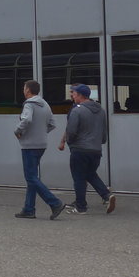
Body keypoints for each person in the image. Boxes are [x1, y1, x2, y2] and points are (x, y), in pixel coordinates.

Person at [57, 84, 115, 214]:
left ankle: (81, 206)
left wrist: (69, 143)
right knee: (90, 174)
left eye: (74, 94)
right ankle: (106, 195)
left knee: (79, 178)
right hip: (96, 150)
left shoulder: (77, 110)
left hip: (80, 149)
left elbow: (71, 131)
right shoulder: (101, 111)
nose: (72, 96)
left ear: (81, 95)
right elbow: (104, 134)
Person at [13, 80, 66, 219]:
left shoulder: (29, 104)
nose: (23, 90)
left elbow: (26, 120)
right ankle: (29, 209)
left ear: (28, 90)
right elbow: (52, 124)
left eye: (24, 88)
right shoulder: (45, 104)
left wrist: (18, 131)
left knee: (30, 177)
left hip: (29, 145)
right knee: (33, 178)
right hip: (41, 144)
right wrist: (41, 132)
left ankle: (55, 203)